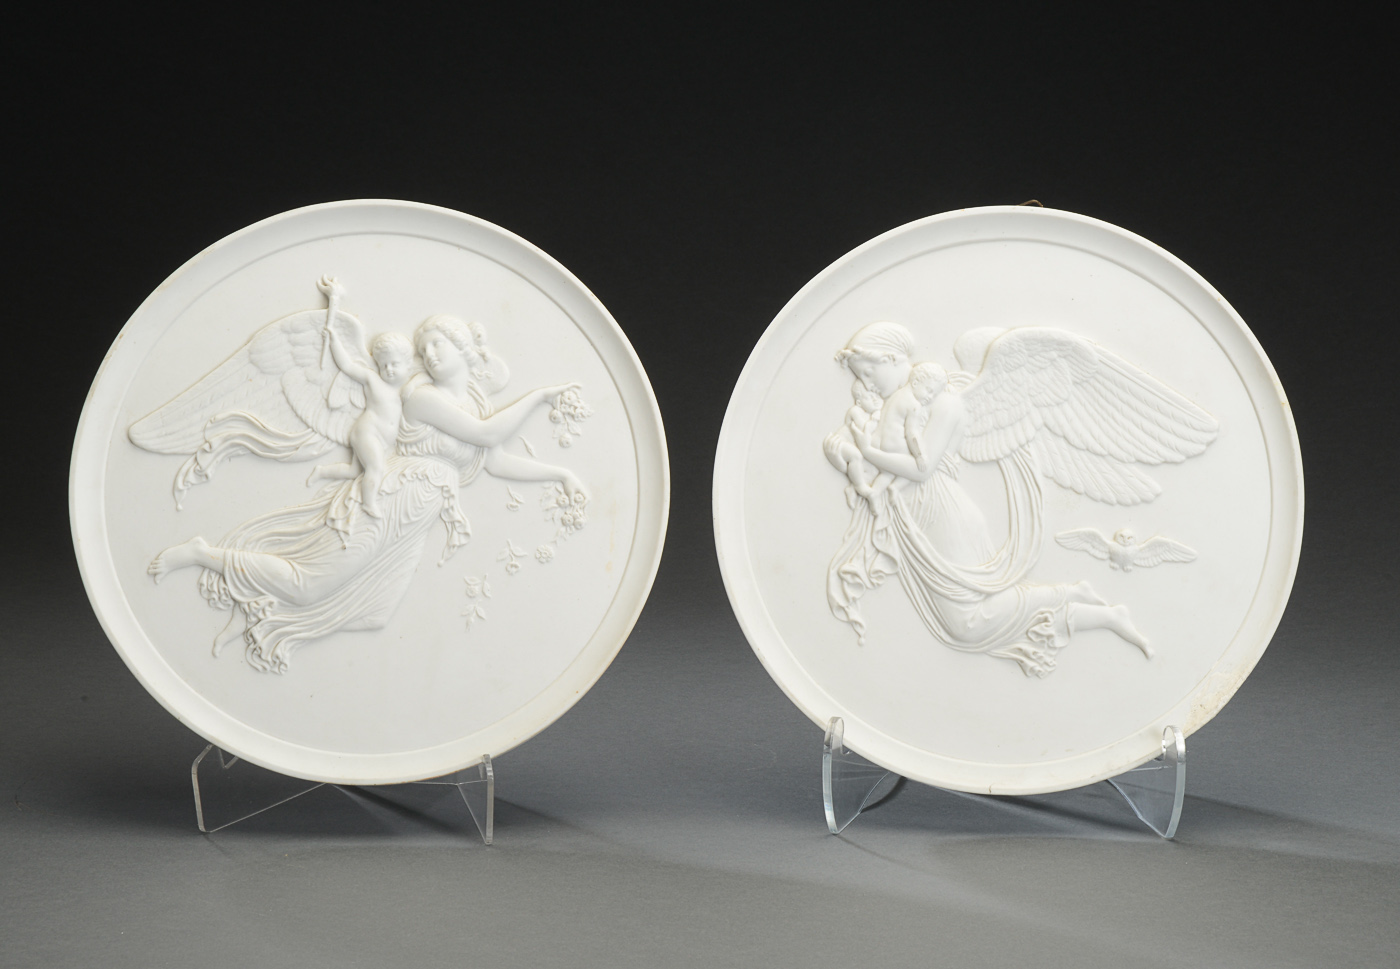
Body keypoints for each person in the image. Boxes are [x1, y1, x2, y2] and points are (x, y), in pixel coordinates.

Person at [147, 315, 584, 673]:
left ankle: (294, 643)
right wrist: (538, 396)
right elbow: (487, 435)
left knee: (375, 614)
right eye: (423, 347)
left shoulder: (475, 405)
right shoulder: (423, 398)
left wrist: (559, 473)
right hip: (393, 499)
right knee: (307, 587)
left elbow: (496, 460)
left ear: (463, 347)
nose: (429, 354)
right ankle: (202, 554)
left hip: (416, 519)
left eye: (437, 344)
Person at [825, 321, 1149, 674]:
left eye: (868, 372)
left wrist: (866, 452)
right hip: (916, 515)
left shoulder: (945, 402)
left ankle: (1072, 597)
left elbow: (921, 469)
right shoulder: (890, 404)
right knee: (967, 622)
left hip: (942, 512)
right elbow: (852, 438)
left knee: (968, 624)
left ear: (891, 359)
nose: (865, 383)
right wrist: (839, 447)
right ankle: (1089, 608)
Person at [306, 329, 416, 517]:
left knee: (354, 471)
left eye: (394, 364)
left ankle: (322, 471)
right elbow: (347, 365)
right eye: (384, 365)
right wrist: (334, 341)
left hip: (382, 440)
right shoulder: (373, 380)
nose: (388, 369)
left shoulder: (406, 387)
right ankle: (369, 503)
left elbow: (427, 375)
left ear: (408, 365)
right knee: (376, 468)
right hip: (367, 433)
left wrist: (414, 384)